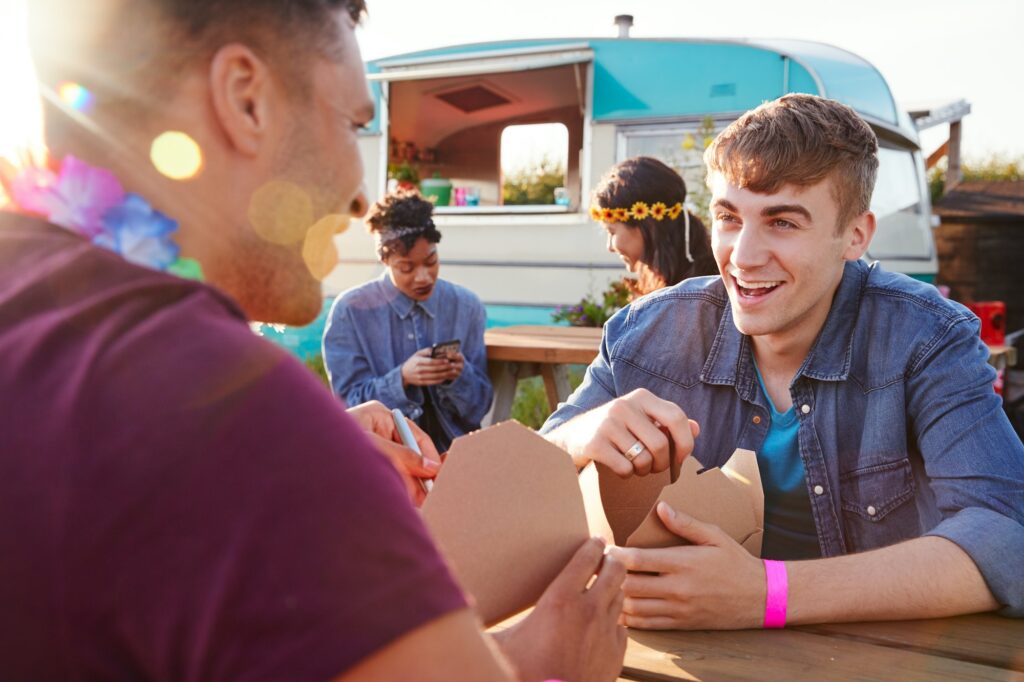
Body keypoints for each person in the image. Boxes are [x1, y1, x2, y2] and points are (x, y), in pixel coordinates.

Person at [0, 1, 627, 680]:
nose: (360, 197)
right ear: (245, 99)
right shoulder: (249, 426)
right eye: (354, 123)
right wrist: (547, 666)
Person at [542, 94, 1024, 629]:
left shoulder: (925, 336)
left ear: (855, 236)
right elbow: (526, 473)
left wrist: (766, 594)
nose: (743, 257)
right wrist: (577, 436)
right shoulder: (644, 332)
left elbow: (1008, 535)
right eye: (728, 218)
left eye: (783, 223)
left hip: (883, 655)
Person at [323, 190, 492, 452]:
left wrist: (459, 377)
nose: (423, 277)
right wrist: (401, 379)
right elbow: (349, 411)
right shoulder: (350, 311)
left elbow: (480, 407)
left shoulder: (466, 306)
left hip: (458, 455)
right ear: (385, 260)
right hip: (384, 458)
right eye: (406, 268)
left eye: (431, 261)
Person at [590, 156, 717, 297]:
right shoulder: (686, 284)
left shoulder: (695, 295)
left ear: (648, 225)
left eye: (612, 232)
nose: (609, 247)